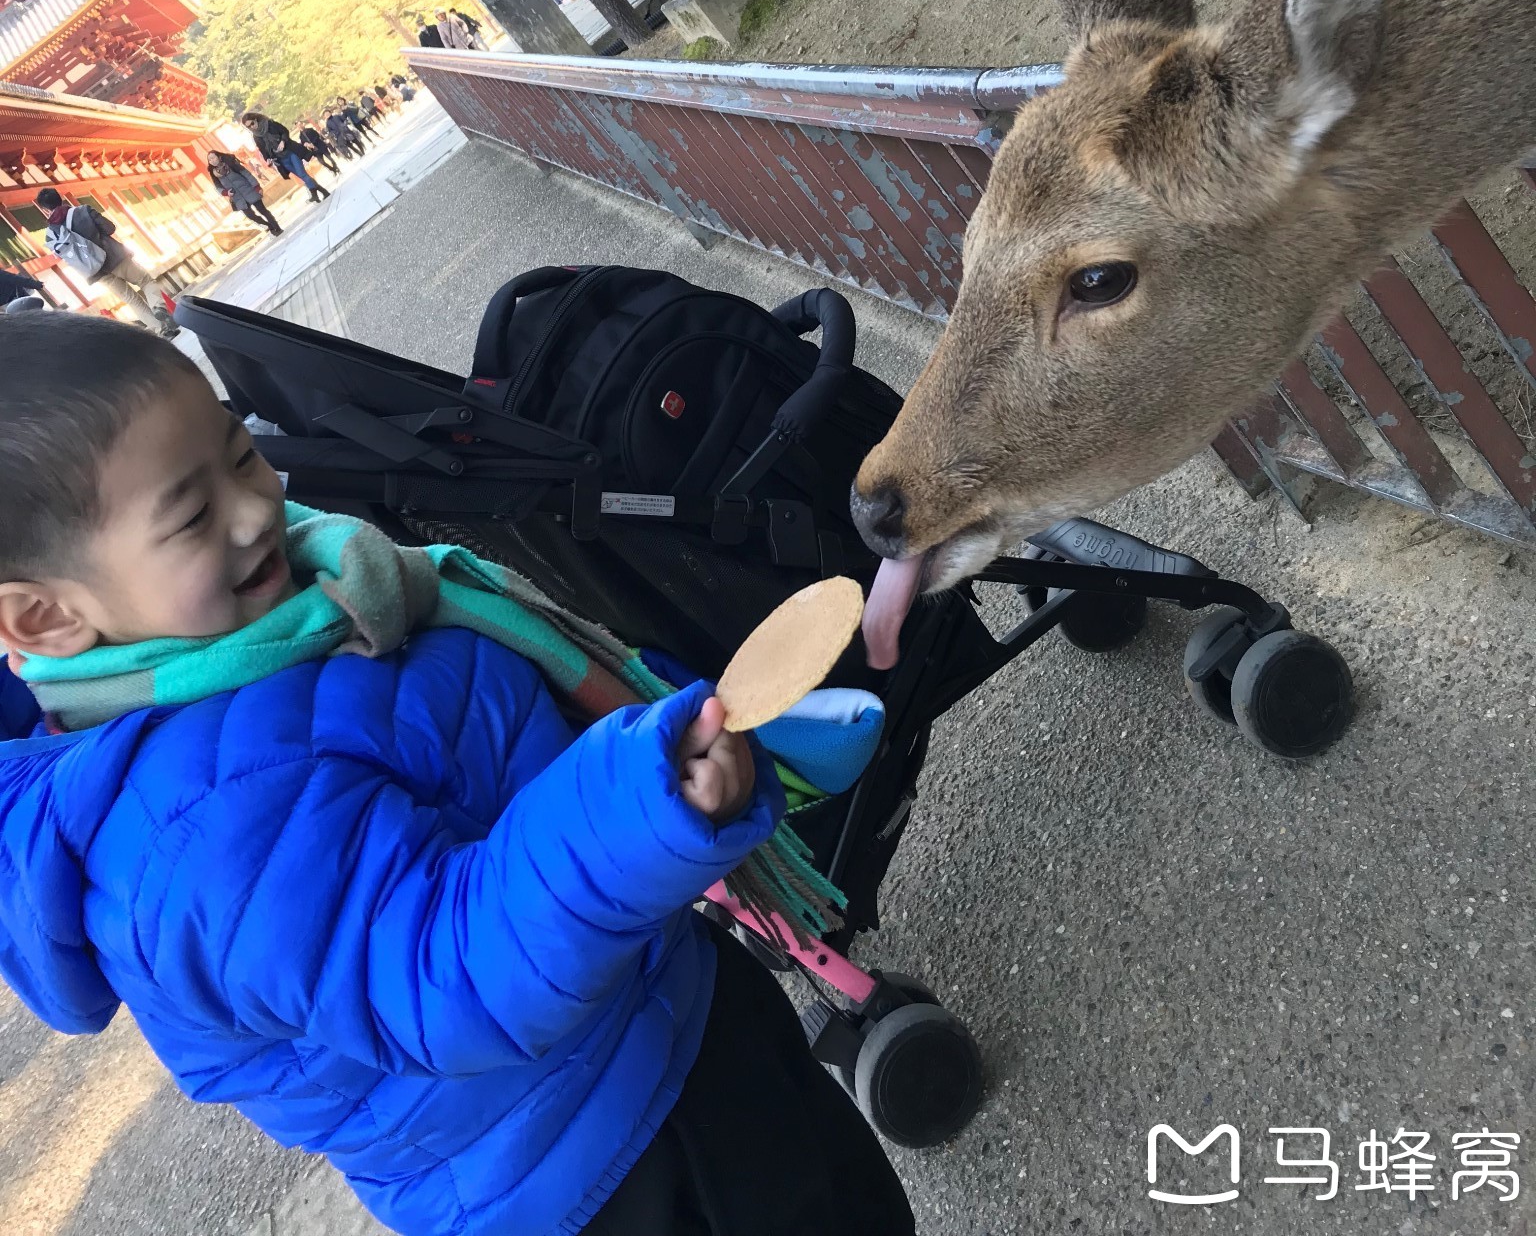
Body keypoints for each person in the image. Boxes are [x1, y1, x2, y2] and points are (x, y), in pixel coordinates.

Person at [0, 315, 913, 1236]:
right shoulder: (196, 827)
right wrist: (628, 816)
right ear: (44, 621)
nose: (255, 506)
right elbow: (438, 970)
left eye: (241, 453)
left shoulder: (304, 616)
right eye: (192, 515)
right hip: (590, 1162)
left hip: (654, 1010)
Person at [33, 188, 177, 337]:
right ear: (60, 198)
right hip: (115, 258)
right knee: (146, 281)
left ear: (44, 209)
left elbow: (64, 256)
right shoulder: (83, 211)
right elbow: (110, 228)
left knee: (131, 298)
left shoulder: (50, 235)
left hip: (96, 271)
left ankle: (163, 330)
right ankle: (158, 306)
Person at [241, 113, 330, 204]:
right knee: (303, 176)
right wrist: (267, 158)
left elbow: (284, 131)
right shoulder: (256, 136)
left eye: (252, 123)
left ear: (255, 119)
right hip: (281, 160)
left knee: (302, 174)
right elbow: (263, 150)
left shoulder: (270, 124)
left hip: (290, 152)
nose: (252, 127)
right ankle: (324, 192)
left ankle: (313, 194)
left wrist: (283, 141)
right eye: (249, 127)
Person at [207, 152, 282, 238]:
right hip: (237, 197)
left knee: (263, 211)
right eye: (209, 160)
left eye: (213, 158)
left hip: (248, 190)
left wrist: (256, 187)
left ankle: (277, 228)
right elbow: (218, 187)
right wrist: (226, 193)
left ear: (219, 157)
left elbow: (247, 174)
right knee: (250, 216)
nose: (211, 160)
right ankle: (269, 225)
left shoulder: (231, 164)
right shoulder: (214, 173)